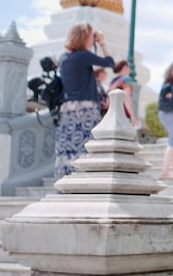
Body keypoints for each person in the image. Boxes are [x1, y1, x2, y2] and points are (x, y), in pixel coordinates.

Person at [54, 22, 115, 179]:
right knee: (86, 145)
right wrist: (101, 42)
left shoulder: (64, 58)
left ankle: (66, 178)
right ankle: (84, 179)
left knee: (69, 145)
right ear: (85, 37)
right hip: (86, 109)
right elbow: (110, 62)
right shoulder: (83, 56)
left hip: (67, 109)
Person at [108, 60, 138, 127]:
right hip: (122, 114)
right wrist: (132, 116)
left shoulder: (113, 81)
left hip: (111, 113)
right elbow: (126, 98)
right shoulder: (126, 79)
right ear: (125, 67)